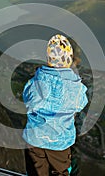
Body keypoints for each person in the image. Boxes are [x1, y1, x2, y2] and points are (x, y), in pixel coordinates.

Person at [22, 34, 88, 176]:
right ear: (69, 60)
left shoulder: (37, 82)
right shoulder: (75, 87)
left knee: (36, 173)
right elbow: (82, 103)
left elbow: (28, 100)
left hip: (36, 139)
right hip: (60, 143)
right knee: (60, 173)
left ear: (48, 59)